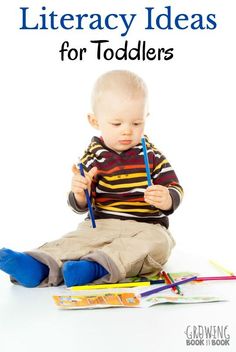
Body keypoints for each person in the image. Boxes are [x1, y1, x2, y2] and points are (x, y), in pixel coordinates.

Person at [0, 70, 183, 288]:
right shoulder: (92, 157)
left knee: (158, 243)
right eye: (117, 124)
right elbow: (79, 205)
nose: (127, 131)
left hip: (147, 227)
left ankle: (94, 268)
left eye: (136, 123)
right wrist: (79, 192)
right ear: (95, 121)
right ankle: (38, 265)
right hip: (101, 224)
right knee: (75, 240)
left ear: (146, 119)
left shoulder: (152, 155)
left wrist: (167, 198)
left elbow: (174, 187)